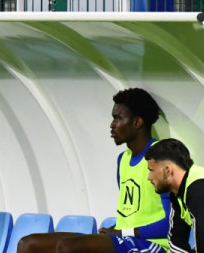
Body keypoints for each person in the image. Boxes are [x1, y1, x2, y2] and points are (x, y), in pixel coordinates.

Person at [19, 88, 170, 253]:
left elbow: (170, 224)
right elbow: (129, 215)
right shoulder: (123, 159)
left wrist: (121, 232)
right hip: (123, 238)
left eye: (118, 118)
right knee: (29, 244)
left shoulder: (160, 156)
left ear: (137, 122)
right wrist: (111, 231)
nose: (112, 125)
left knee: (68, 248)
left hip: (151, 244)